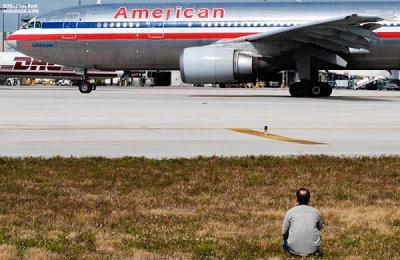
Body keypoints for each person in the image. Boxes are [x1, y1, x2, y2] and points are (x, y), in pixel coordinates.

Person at [282, 188, 324, 257]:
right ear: (309, 199)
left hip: (293, 250)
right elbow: (320, 227)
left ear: (297, 199)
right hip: (313, 250)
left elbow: (284, 232)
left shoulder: (290, 212)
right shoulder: (316, 212)